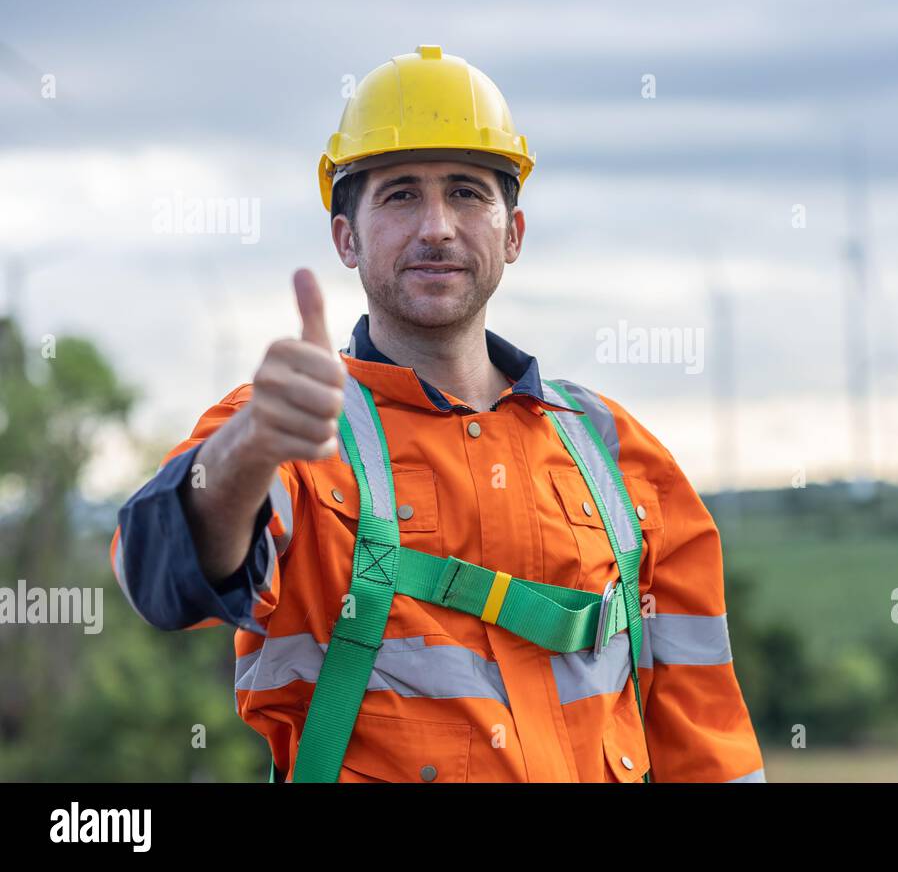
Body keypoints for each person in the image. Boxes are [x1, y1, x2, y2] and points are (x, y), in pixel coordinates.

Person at [109, 46, 765, 783]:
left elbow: (706, 739)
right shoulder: (287, 432)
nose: (436, 227)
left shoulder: (615, 451)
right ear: (345, 238)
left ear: (512, 233)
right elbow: (160, 578)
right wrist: (248, 450)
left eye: (465, 192)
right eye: (398, 195)